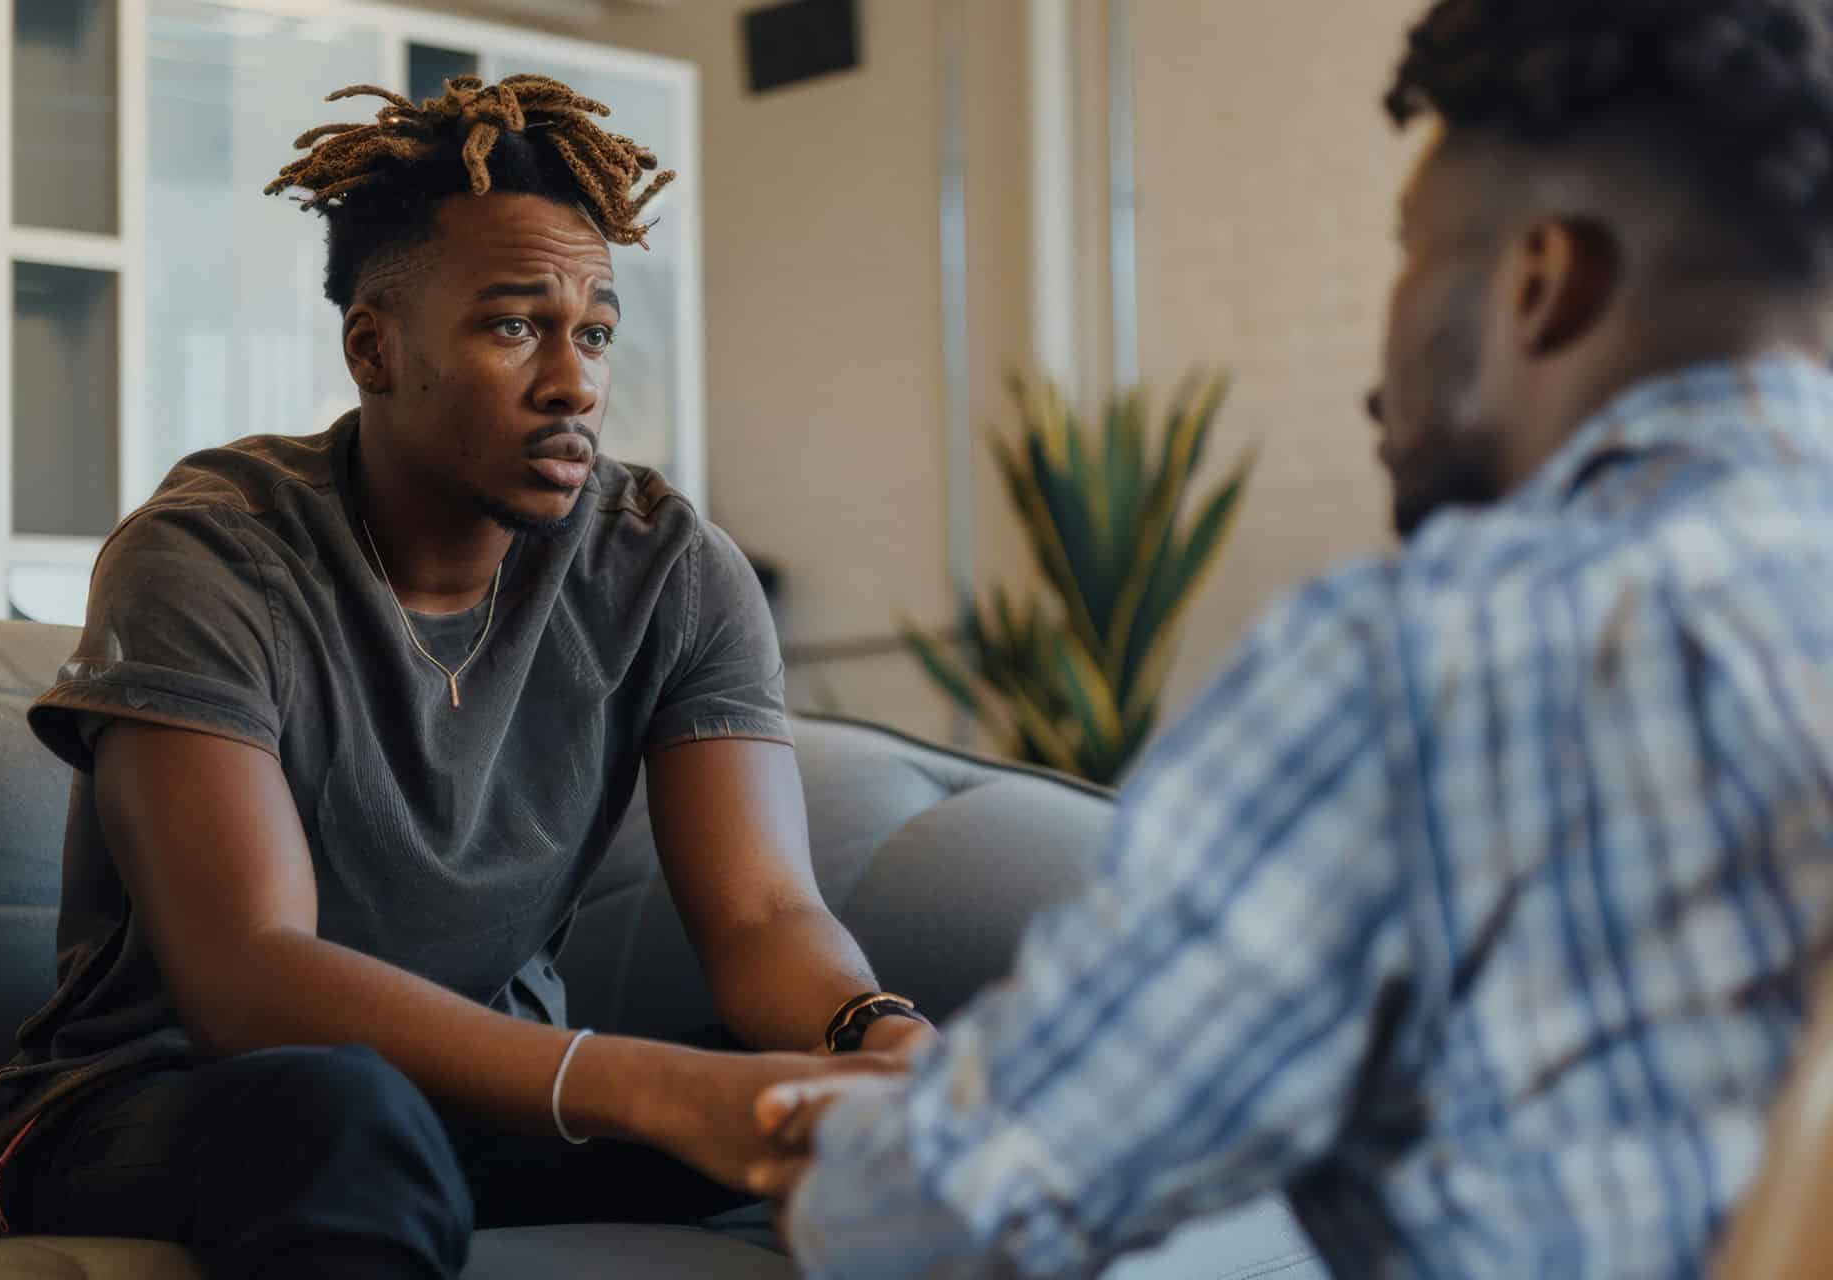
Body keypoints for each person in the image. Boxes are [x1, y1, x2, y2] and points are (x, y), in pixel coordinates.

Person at [756, 2, 1833, 1274]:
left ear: (1543, 283)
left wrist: (835, 1156)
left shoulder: (1432, 657)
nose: (1380, 364)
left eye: (1411, 250)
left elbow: (947, 1218)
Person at [0, 74, 925, 1278]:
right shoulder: (209, 552)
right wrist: (655, 1087)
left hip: (496, 1099)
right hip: (157, 1104)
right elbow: (247, 972)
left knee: (846, 1120)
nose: (574, 382)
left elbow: (763, 915)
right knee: (348, 1115)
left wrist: (869, 1036)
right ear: (374, 346)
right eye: (515, 325)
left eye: (594, 333)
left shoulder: (668, 568)